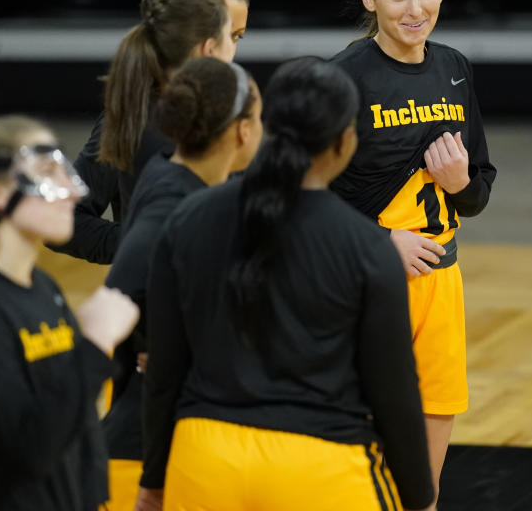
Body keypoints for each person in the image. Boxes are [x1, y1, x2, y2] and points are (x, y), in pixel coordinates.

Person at [136, 57, 434, 511]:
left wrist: (154, 478)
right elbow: (394, 390)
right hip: (321, 467)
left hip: (203, 461)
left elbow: (163, 368)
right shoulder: (367, 247)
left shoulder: (187, 220)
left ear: (266, 126)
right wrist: (420, 499)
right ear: (344, 140)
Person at [330, 0, 496, 499]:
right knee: (357, 455)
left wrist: (460, 183)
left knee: (427, 461)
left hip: (441, 282)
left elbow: (480, 190)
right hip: (368, 282)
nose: (414, 8)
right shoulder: (343, 78)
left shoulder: (454, 68)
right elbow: (301, 199)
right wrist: (378, 241)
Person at [0, 115, 139, 510]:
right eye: (48, 173)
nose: (74, 189)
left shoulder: (43, 289)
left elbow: (75, 428)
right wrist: (94, 343)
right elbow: (33, 447)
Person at [101, 57, 262, 511]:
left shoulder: (168, 171)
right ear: (242, 131)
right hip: (144, 453)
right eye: (259, 116)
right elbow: (121, 288)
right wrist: (152, 344)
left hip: (163, 437)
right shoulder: (178, 203)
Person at [59, 0, 249, 265]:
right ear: (201, 39)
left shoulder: (240, 108)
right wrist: (140, 245)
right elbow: (66, 218)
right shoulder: (133, 115)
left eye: (239, 37)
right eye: (230, 35)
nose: (233, 50)